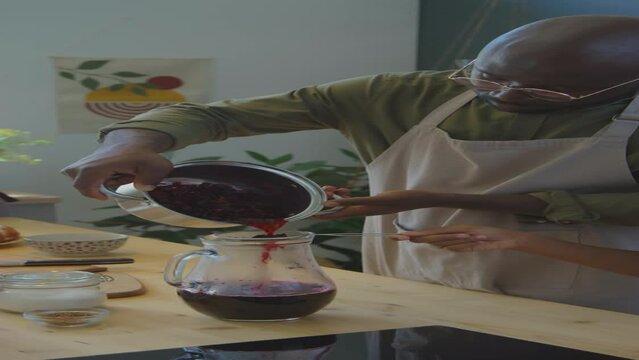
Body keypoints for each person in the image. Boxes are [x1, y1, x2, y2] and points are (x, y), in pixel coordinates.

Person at [62, 15, 639, 313]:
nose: (500, 95)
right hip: (414, 296)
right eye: (483, 77)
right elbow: (215, 115)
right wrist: (127, 142)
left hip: (586, 311)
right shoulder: (407, 95)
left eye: (537, 95)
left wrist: (429, 200)